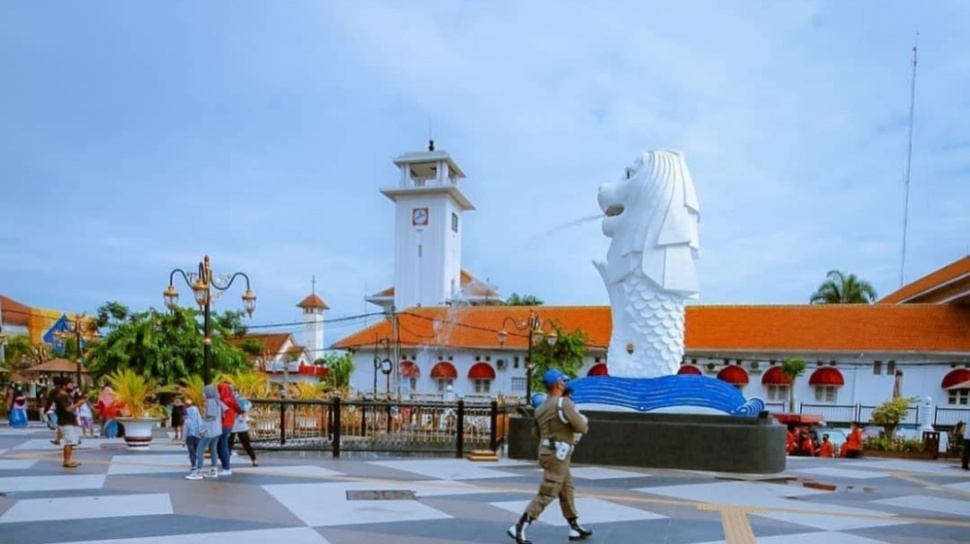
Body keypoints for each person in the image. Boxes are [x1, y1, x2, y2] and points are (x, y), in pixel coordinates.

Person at [507, 369, 592, 544]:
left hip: (547, 451)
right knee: (548, 491)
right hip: (558, 455)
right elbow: (581, 427)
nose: (565, 384)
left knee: (566, 488)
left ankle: (574, 525)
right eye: (563, 382)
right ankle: (520, 525)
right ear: (559, 384)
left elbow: (536, 433)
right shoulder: (564, 403)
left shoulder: (540, 408)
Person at [54, 379, 88, 468]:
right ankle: (66, 461)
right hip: (65, 422)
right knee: (69, 441)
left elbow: (74, 406)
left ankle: (69, 459)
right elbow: (68, 409)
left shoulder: (68, 395)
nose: (72, 387)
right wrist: (79, 403)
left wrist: (82, 401)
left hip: (72, 420)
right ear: (64, 386)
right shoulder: (60, 397)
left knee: (72, 441)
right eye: (70, 385)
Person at [196, 385, 223, 478]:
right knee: (213, 450)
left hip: (210, 431)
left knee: (200, 450)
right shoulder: (217, 401)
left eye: (204, 392)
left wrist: (201, 430)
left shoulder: (210, 403)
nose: (203, 394)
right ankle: (214, 469)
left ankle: (199, 470)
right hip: (217, 430)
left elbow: (209, 419)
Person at [216, 382, 242, 476]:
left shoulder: (222, 400)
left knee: (222, 445)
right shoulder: (232, 399)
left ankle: (226, 467)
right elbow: (239, 410)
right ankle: (225, 466)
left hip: (222, 424)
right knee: (223, 444)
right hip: (229, 424)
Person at [228, 386, 258, 467]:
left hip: (232, 424)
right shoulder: (241, 398)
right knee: (246, 444)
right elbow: (248, 405)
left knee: (229, 444)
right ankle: (254, 459)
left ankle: (226, 461)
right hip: (241, 424)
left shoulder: (228, 399)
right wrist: (244, 414)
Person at [183, 398, 204, 480]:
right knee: (198, 452)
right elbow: (202, 430)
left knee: (192, 453)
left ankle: (193, 466)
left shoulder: (187, 421)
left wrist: (183, 440)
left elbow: (185, 431)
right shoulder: (200, 420)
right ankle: (199, 467)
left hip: (189, 438)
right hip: (198, 438)